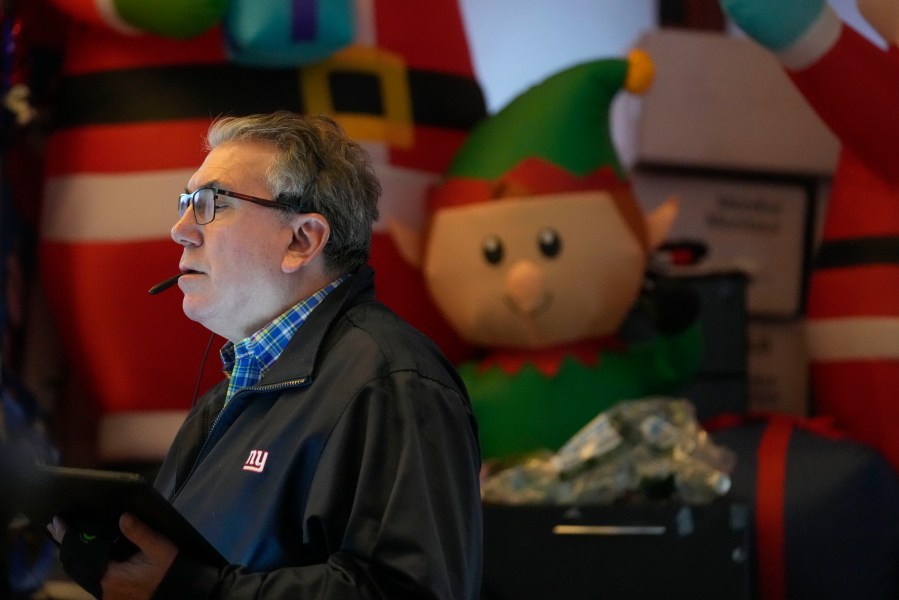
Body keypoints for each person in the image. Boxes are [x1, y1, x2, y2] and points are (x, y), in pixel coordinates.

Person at [50, 111, 483, 599]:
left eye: (212, 203)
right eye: (187, 201)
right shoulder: (226, 397)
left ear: (302, 240)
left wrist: (189, 589)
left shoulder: (394, 382)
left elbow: (410, 592)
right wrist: (123, 565)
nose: (180, 229)